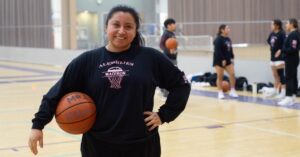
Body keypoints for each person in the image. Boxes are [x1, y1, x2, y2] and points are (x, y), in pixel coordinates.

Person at [28, 5, 191, 157]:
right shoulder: (87, 61)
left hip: (142, 145)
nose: (121, 31)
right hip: (98, 146)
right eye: (116, 25)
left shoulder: (150, 58)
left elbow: (181, 85)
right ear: (106, 27)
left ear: (135, 31)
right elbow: (56, 93)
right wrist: (38, 125)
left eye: (128, 26)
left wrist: (164, 115)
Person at [213, 24, 238, 99]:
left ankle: (232, 90)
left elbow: (230, 50)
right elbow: (218, 51)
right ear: (222, 30)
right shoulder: (218, 40)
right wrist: (222, 59)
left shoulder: (228, 39)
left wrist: (232, 58)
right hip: (219, 60)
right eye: (227, 28)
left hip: (228, 60)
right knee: (220, 76)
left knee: (232, 74)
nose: (229, 29)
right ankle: (220, 92)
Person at [278, 18, 300, 106]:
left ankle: (288, 97)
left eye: (287, 23)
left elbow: (293, 48)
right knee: (293, 77)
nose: (286, 25)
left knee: (289, 78)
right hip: (292, 59)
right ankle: (293, 96)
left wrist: (283, 49)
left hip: (291, 59)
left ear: (292, 24)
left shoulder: (294, 35)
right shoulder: (292, 34)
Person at [159, 18, 178, 98]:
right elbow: (161, 45)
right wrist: (168, 50)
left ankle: (163, 89)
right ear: (169, 25)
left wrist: (174, 50)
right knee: (169, 75)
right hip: (168, 58)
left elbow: (174, 45)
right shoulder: (166, 34)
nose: (175, 25)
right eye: (174, 24)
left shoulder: (172, 34)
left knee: (171, 75)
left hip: (173, 57)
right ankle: (165, 92)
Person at [267, 19, 286, 99]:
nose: (271, 26)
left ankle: (283, 92)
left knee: (281, 74)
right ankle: (275, 90)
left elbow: (285, 44)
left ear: (277, 25)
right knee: (275, 75)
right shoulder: (271, 33)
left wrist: (280, 50)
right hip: (272, 57)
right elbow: (269, 41)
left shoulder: (282, 33)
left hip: (280, 58)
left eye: (272, 24)